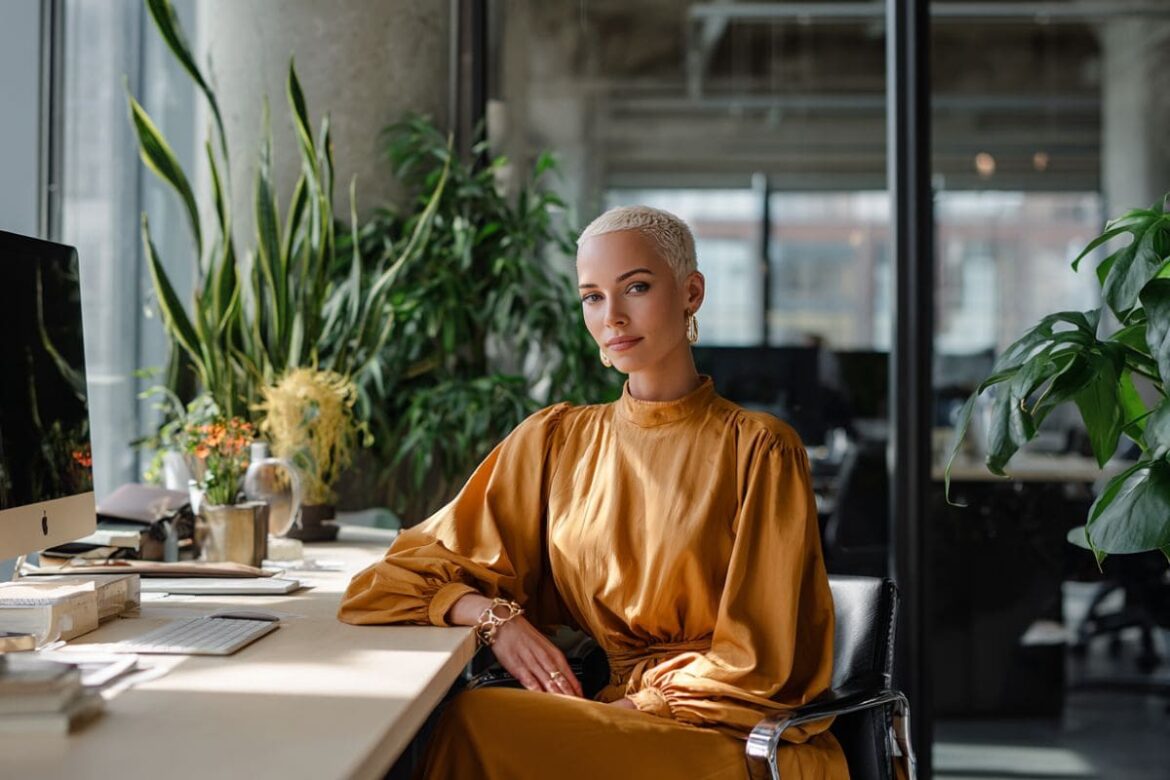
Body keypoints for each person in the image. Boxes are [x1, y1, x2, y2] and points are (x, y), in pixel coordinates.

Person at [338, 205, 847, 778]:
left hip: (726, 732)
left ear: (692, 293)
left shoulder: (759, 448)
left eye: (636, 287)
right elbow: (390, 582)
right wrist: (495, 618)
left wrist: (626, 710)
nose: (613, 317)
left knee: (476, 721)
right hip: (607, 711)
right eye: (592, 297)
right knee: (462, 719)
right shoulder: (555, 440)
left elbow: (764, 657)